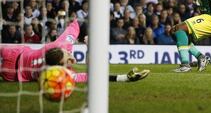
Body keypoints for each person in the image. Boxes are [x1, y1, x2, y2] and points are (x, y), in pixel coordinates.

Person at [0, 19, 149, 82]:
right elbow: (94, 77)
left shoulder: (59, 47)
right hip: (13, 68)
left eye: (68, 56)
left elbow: (75, 25)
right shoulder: (60, 71)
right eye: (68, 57)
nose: (71, 57)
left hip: (13, 61)